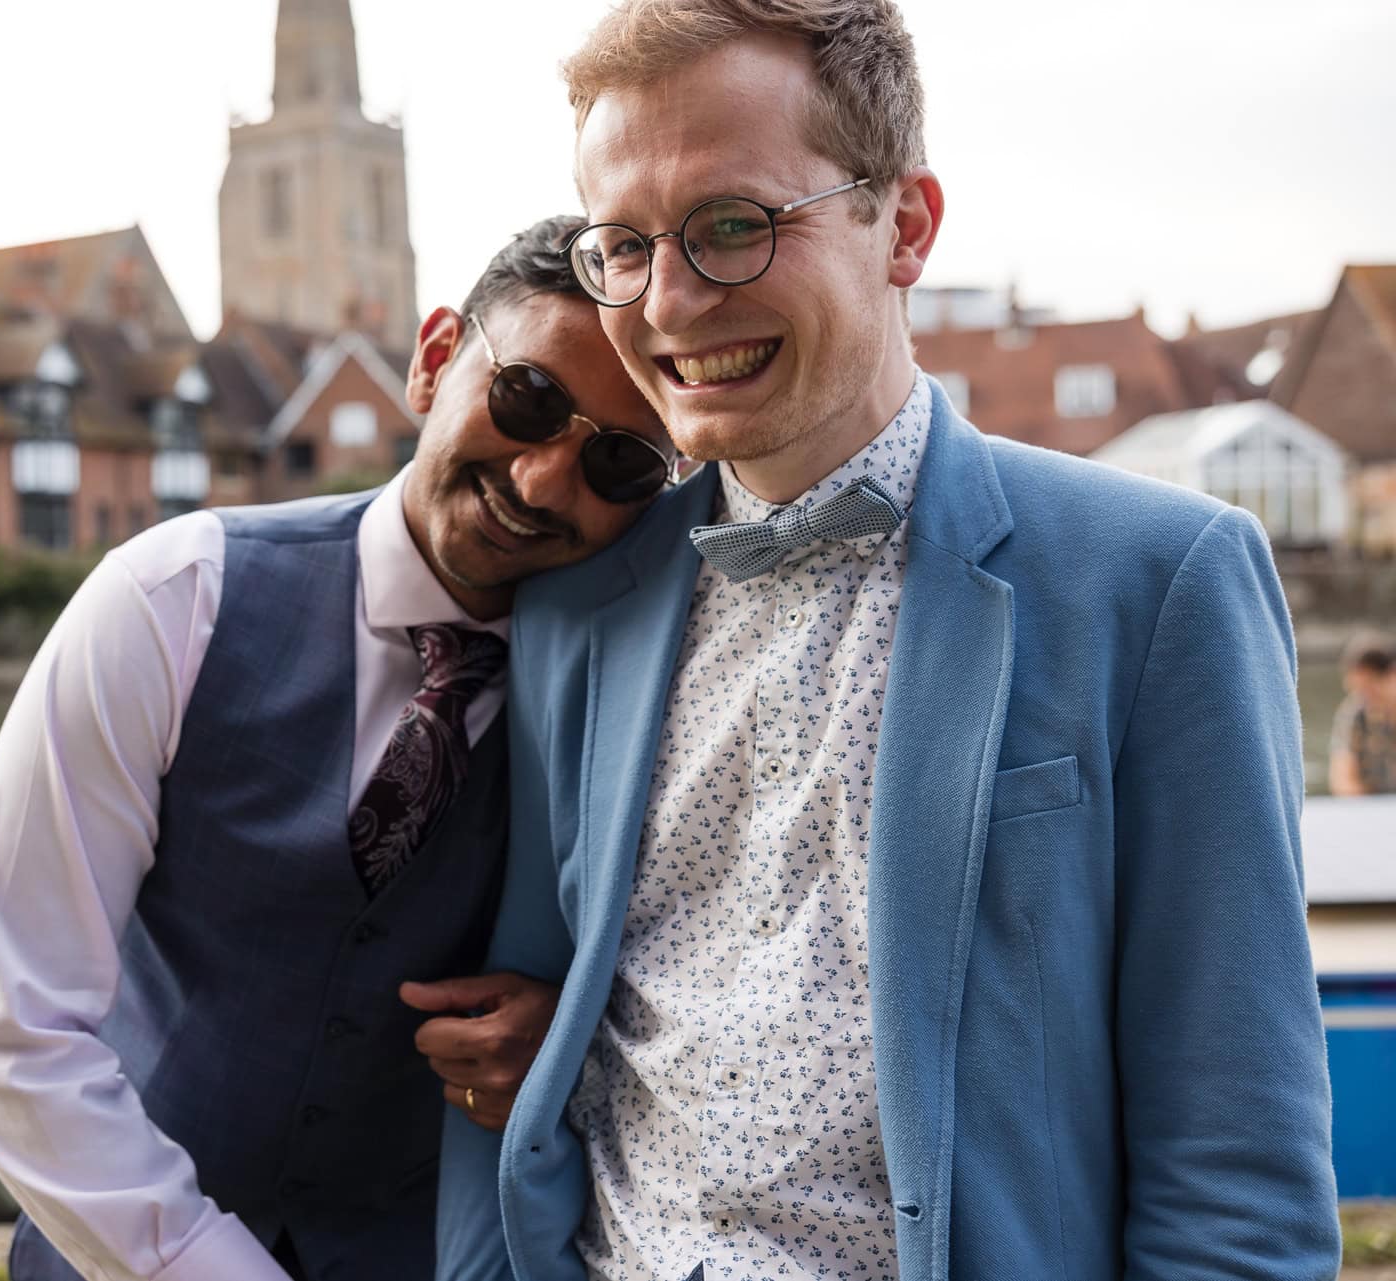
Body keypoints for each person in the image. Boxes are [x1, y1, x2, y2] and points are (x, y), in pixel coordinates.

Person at [437, 3, 1341, 1279]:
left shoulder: (1160, 584)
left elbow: (1239, 1186)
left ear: (904, 224)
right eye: (624, 246)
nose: (673, 302)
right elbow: (502, 1067)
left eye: (733, 227)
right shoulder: (582, 600)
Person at [0, 216, 677, 1281]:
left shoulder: (638, 694)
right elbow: (7, 1033)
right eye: (527, 402)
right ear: (432, 360)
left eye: (618, 462)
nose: (543, 481)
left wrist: (577, 1051)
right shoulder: (171, 602)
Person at [1330, 632, 1396, 795]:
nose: (1364, 697)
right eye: (1359, 690)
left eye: (1369, 687)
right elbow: (1342, 780)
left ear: (1392, 675)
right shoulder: (1353, 715)